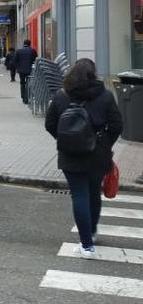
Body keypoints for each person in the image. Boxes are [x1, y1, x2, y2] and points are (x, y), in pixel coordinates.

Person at [45, 59, 123, 258]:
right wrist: (104, 143)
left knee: (79, 195)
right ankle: (92, 233)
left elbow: (50, 123)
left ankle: (86, 245)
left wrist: (65, 138)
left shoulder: (62, 96)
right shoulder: (104, 96)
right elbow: (117, 125)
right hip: (98, 154)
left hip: (70, 155)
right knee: (93, 193)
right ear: (93, 74)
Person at [14, 40, 38, 104]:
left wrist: (17, 68)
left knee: (22, 83)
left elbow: (15, 61)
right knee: (29, 83)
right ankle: (27, 97)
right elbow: (36, 60)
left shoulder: (18, 51)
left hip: (21, 71)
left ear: (23, 44)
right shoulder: (32, 51)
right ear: (30, 44)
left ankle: (23, 97)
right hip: (30, 70)